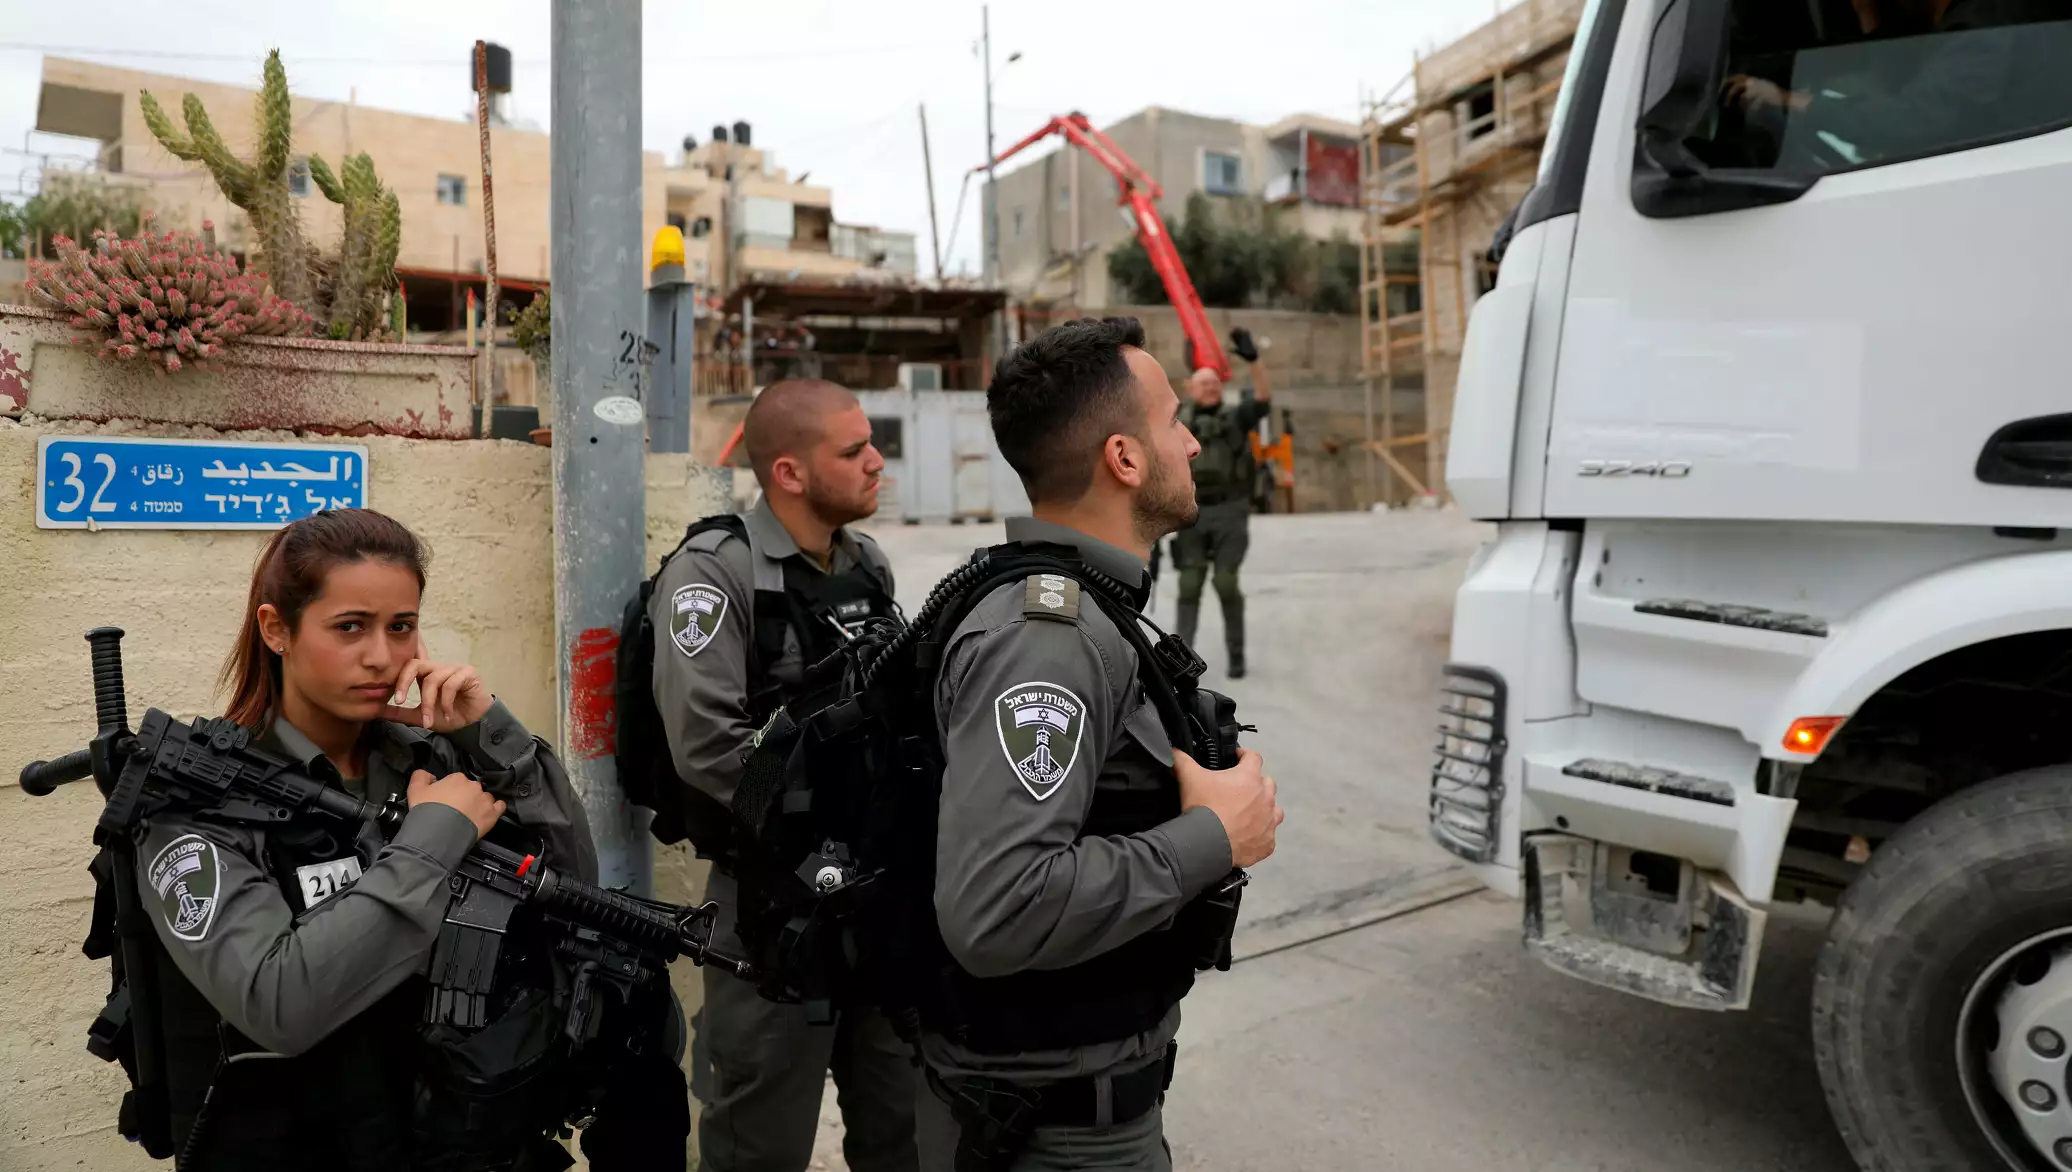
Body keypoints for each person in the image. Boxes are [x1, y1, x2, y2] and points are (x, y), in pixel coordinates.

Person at [132, 507, 625, 1170]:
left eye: (401, 627)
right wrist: (431, 841)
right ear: (277, 630)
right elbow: (279, 1006)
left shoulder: (431, 759)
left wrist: (494, 737)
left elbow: (573, 892)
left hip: (448, 1138)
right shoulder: (202, 803)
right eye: (350, 627)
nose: (382, 657)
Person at [919, 316, 1286, 1171]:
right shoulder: (1048, 639)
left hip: (1067, 1104)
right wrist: (1215, 836)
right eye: (1173, 423)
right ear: (1124, 458)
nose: (1192, 443)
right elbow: (997, 906)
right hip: (1049, 1129)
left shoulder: (1087, 609)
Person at [647, 378, 916, 1172]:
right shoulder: (715, 574)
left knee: (905, 1129)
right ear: (790, 473)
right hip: (773, 909)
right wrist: (818, 825)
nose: (876, 462)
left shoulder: (865, 565)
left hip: (876, 901)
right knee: (758, 1143)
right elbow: (707, 748)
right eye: (853, 450)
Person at [1171, 331, 1272, 678]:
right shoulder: (1179, 423)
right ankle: (1180, 662)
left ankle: (1236, 654)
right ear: (1190, 388)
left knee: (1226, 583)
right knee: (1189, 585)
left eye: (1215, 383)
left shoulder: (1236, 417)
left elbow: (1263, 400)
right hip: (1193, 511)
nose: (1211, 388)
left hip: (1231, 511)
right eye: (1204, 384)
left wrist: (1254, 361)